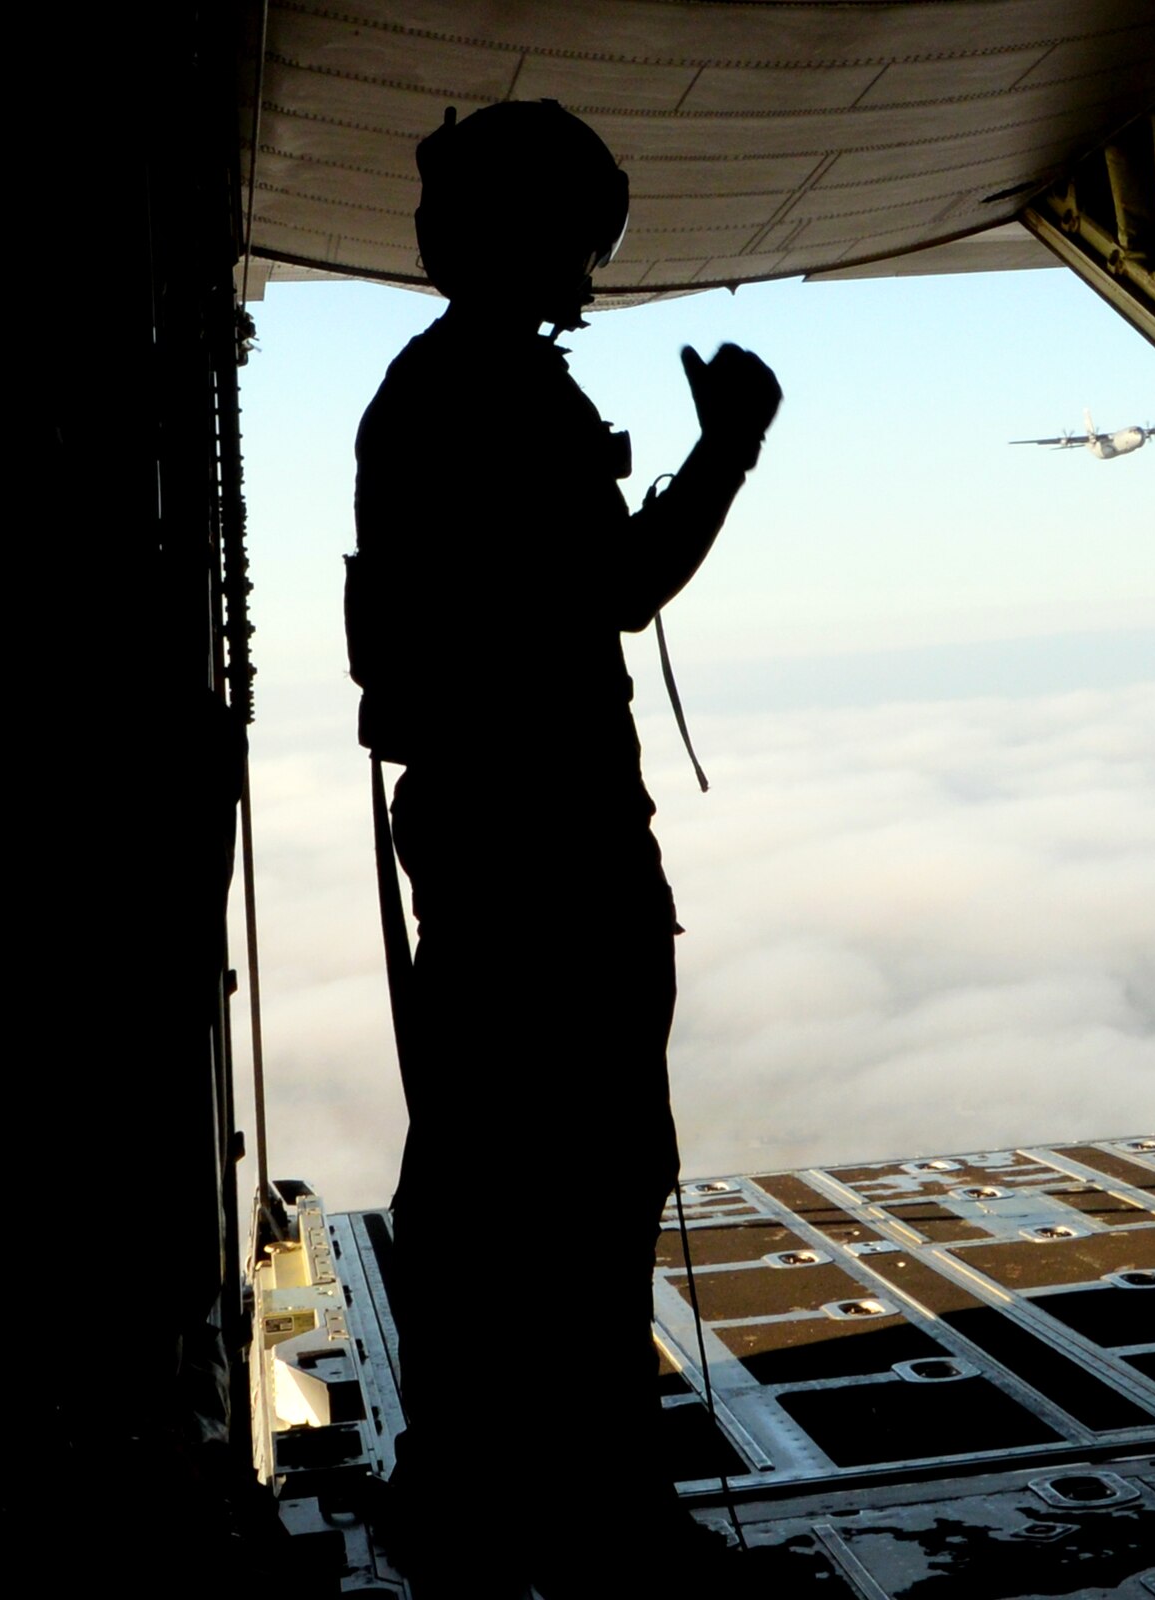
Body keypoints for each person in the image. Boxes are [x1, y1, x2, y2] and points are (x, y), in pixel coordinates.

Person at [345, 100, 780, 1596]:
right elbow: (623, 584)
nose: (592, 272)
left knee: (485, 1170)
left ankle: (469, 1491)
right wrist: (730, 450)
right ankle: (597, 1515)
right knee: (585, 1176)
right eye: (579, 238)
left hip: (487, 838)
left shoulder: (431, 389)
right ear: (532, 236)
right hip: (554, 848)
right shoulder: (492, 395)